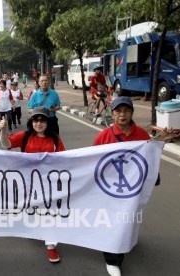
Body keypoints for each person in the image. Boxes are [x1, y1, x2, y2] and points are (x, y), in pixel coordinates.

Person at [0, 106, 64, 263]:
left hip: (49, 183)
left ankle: (50, 245)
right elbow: (6, 144)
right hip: (28, 182)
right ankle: (33, 228)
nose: (39, 123)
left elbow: (64, 158)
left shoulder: (54, 138)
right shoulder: (25, 136)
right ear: (31, 122)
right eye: (36, 119)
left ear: (47, 122)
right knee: (31, 209)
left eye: (42, 120)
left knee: (50, 212)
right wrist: (3, 131)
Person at [93, 97, 150, 276]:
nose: (122, 115)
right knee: (113, 222)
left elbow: (149, 160)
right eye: (118, 111)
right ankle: (112, 260)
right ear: (113, 113)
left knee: (129, 218)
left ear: (132, 113)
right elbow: (92, 162)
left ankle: (125, 241)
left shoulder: (142, 135)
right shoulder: (104, 136)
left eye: (126, 111)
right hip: (110, 189)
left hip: (132, 189)